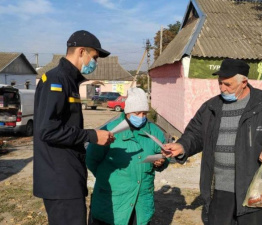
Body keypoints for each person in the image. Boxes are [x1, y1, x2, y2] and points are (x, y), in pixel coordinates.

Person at [162, 58, 262, 225]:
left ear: (244, 82)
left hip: (253, 189)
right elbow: (195, 134)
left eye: (228, 84)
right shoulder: (211, 107)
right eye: (220, 83)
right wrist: (182, 146)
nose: (222, 88)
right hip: (219, 189)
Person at [33, 30, 115, 225]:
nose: (96, 62)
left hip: (67, 176)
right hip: (60, 180)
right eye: (94, 57)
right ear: (81, 51)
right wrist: (91, 136)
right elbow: (48, 130)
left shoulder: (69, 81)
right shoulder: (56, 81)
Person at [86, 87, 169, 225]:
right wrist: (109, 178)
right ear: (127, 112)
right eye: (137, 113)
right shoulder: (110, 131)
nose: (141, 117)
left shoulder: (155, 132)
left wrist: (161, 162)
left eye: (144, 113)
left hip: (141, 203)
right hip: (113, 201)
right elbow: (92, 160)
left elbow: (164, 156)